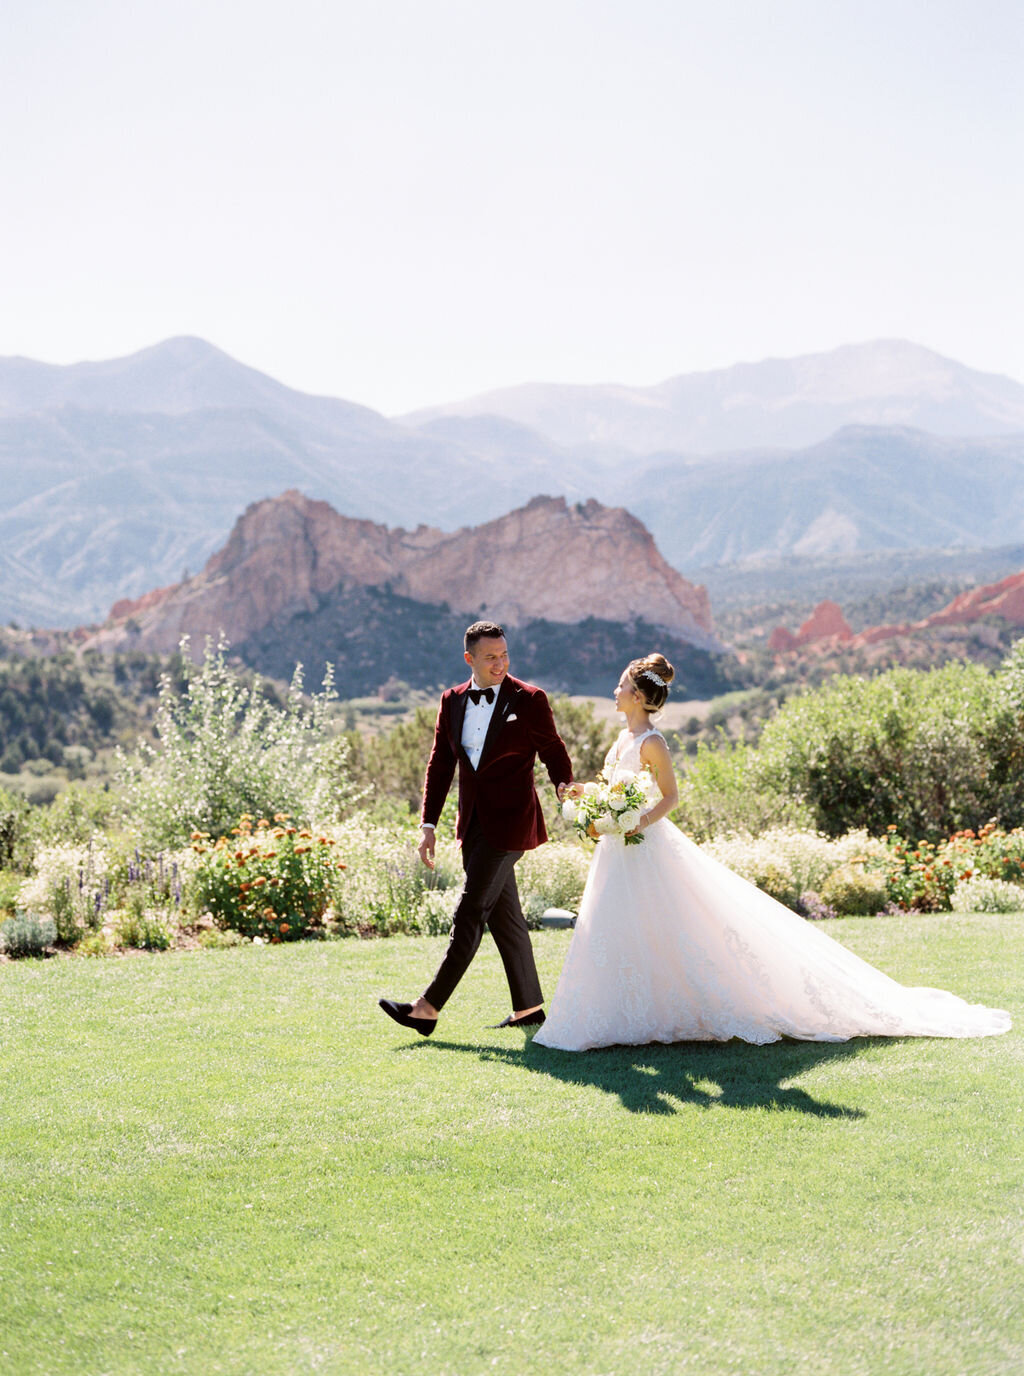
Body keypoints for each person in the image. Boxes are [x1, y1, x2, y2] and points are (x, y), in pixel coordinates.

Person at [534, 653, 1011, 1051]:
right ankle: (620, 1012)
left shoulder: (653, 742)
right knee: (619, 924)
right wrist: (590, 801)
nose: (614, 691)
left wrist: (635, 820)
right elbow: (616, 787)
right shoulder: (621, 739)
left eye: (620, 686)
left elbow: (670, 797)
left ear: (638, 696)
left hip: (644, 844)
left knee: (675, 921)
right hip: (618, 850)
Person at [379, 621, 574, 1036]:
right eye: (491, 657)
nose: (500, 663)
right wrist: (428, 823)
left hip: (512, 823)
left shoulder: (530, 699)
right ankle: (529, 1008)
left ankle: (427, 1008)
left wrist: (563, 784)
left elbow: (553, 748)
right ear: (469, 658)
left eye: (504, 655)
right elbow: (440, 764)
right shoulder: (451, 701)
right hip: (472, 825)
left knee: (470, 911)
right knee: (507, 918)